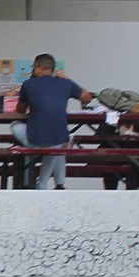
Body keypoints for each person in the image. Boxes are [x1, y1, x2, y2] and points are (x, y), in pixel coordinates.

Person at [9, 54, 93, 190]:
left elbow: (20, 111)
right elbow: (87, 98)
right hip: (58, 136)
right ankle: (56, 184)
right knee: (57, 143)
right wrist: (68, 79)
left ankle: (42, 183)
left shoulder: (28, 84)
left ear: (38, 67)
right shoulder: (66, 84)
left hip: (36, 138)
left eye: (33, 67)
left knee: (15, 125)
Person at [91, 87, 139, 190]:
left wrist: (130, 134)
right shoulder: (112, 119)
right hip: (115, 160)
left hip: (136, 160)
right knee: (111, 168)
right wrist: (119, 131)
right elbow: (98, 137)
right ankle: (110, 194)